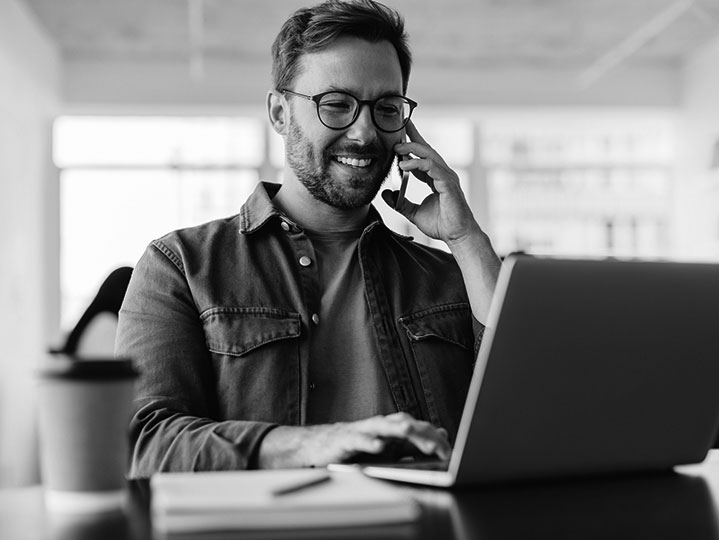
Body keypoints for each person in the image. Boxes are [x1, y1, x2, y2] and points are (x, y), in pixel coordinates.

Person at [116, 0, 501, 477]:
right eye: (337, 104)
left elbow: (529, 410)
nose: (364, 133)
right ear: (280, 112)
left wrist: (465, 238)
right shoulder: (181, 266)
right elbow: (141, 443)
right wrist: (314, 443)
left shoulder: (447, 276)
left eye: (386, 108)